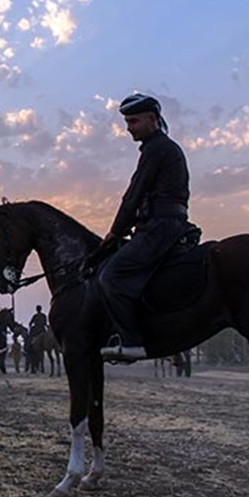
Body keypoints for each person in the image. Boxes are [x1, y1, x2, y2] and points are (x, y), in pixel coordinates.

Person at [95, 93, 191, 361]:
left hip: (160, 227)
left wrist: (115, 231)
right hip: (165, 223)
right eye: (127, 122)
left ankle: (132, 341)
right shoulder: (162, 148)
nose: (129, 128)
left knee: (111, 276)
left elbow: (134, 194)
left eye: (134, 121)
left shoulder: (157, 149)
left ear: (152, 119)